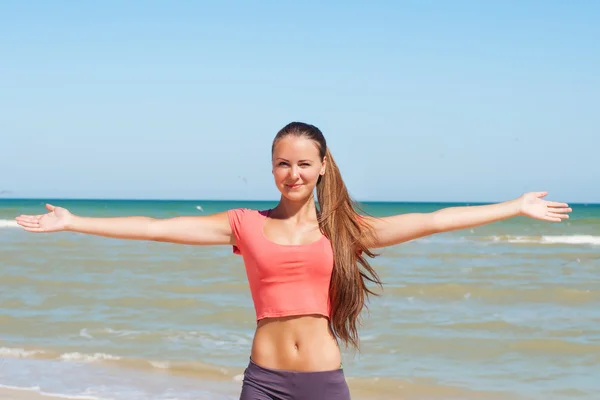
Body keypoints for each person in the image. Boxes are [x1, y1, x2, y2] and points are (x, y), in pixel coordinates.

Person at [15, 122, 572, 400]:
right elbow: (158, 229)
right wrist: (74, 221)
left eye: (304, 163)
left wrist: (514, 207)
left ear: (323, 166)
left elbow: (434, 219)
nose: (293, 174)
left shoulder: (347, 232)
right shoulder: (245, 224)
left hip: (323, 383)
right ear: (272, 168)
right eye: (283, 163)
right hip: (263, 381)